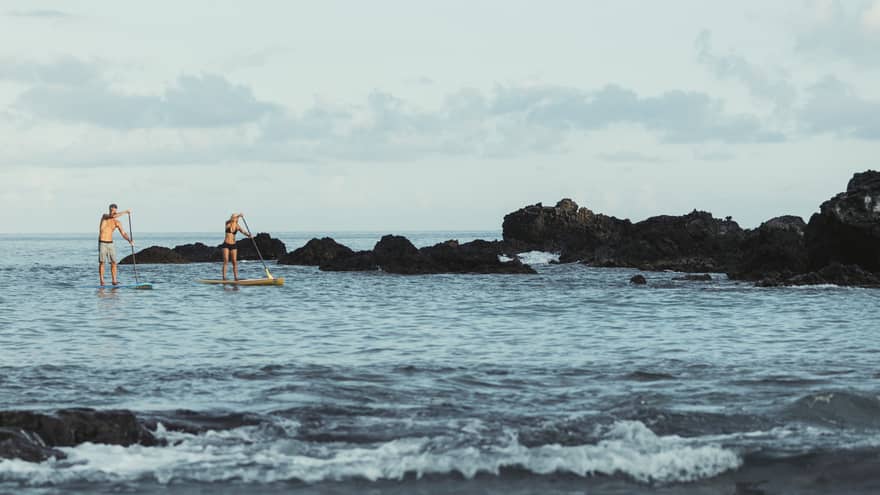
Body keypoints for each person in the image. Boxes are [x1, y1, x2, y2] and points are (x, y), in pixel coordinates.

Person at [98, 203, 133, 286]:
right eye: (111, 210)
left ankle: (114, 280)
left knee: (114, 262)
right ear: (109, 210)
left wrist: (129, 240)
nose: (112, 212)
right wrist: (125, 212)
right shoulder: (105, 217)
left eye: (114, 211)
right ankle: (102, 281)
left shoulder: (117, 222)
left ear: (116, 210)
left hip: (111, 243)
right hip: (102, 242)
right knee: (102, 262)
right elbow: (112, 216)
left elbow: (123, 233)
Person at [222, 213, 251, 280]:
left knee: (234, 261)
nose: (235, 218)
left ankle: (236, 278)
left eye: (236, 217)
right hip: (226, 244)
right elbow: (230, 220)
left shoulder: (237, 226)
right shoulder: (227, 223)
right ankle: (224, 277)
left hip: (233, 245)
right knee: (226, 260)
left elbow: (243, 231)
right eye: (234, 217)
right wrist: (238, 215)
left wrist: (249, 235)